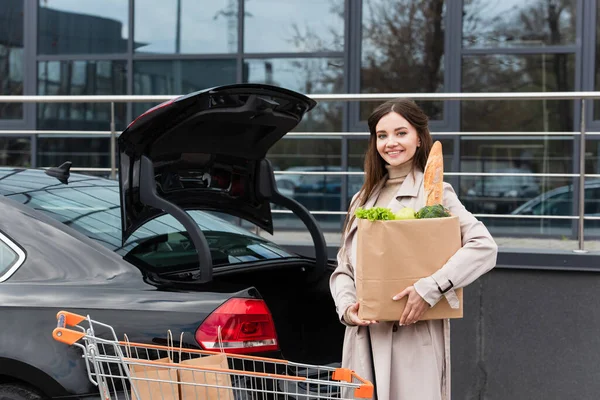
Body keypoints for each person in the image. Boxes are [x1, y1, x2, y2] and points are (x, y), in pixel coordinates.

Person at [330, 99, 498, 400]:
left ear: (419, 138)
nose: (390, 143)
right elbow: (344, 268)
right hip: (363, 337)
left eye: (400, 133)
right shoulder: (361, 199)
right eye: (382, 136)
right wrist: (347, 307)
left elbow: (484, 247)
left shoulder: (435, 193)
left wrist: (429, 289)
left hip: (412, 337)